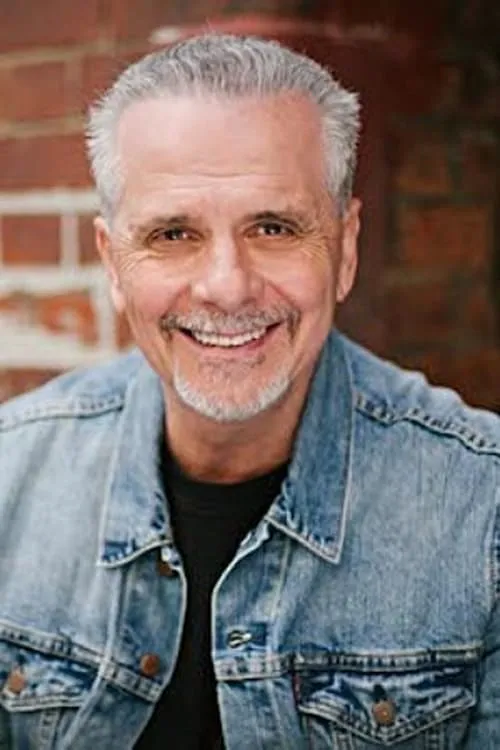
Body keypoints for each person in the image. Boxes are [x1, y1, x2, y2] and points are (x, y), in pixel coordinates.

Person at [0, 32, 498, 750]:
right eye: (173, 234)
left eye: (273, 227)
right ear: (113, 264)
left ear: (346, 249)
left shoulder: (483, 511)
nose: (226, 287)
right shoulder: (12, 477)